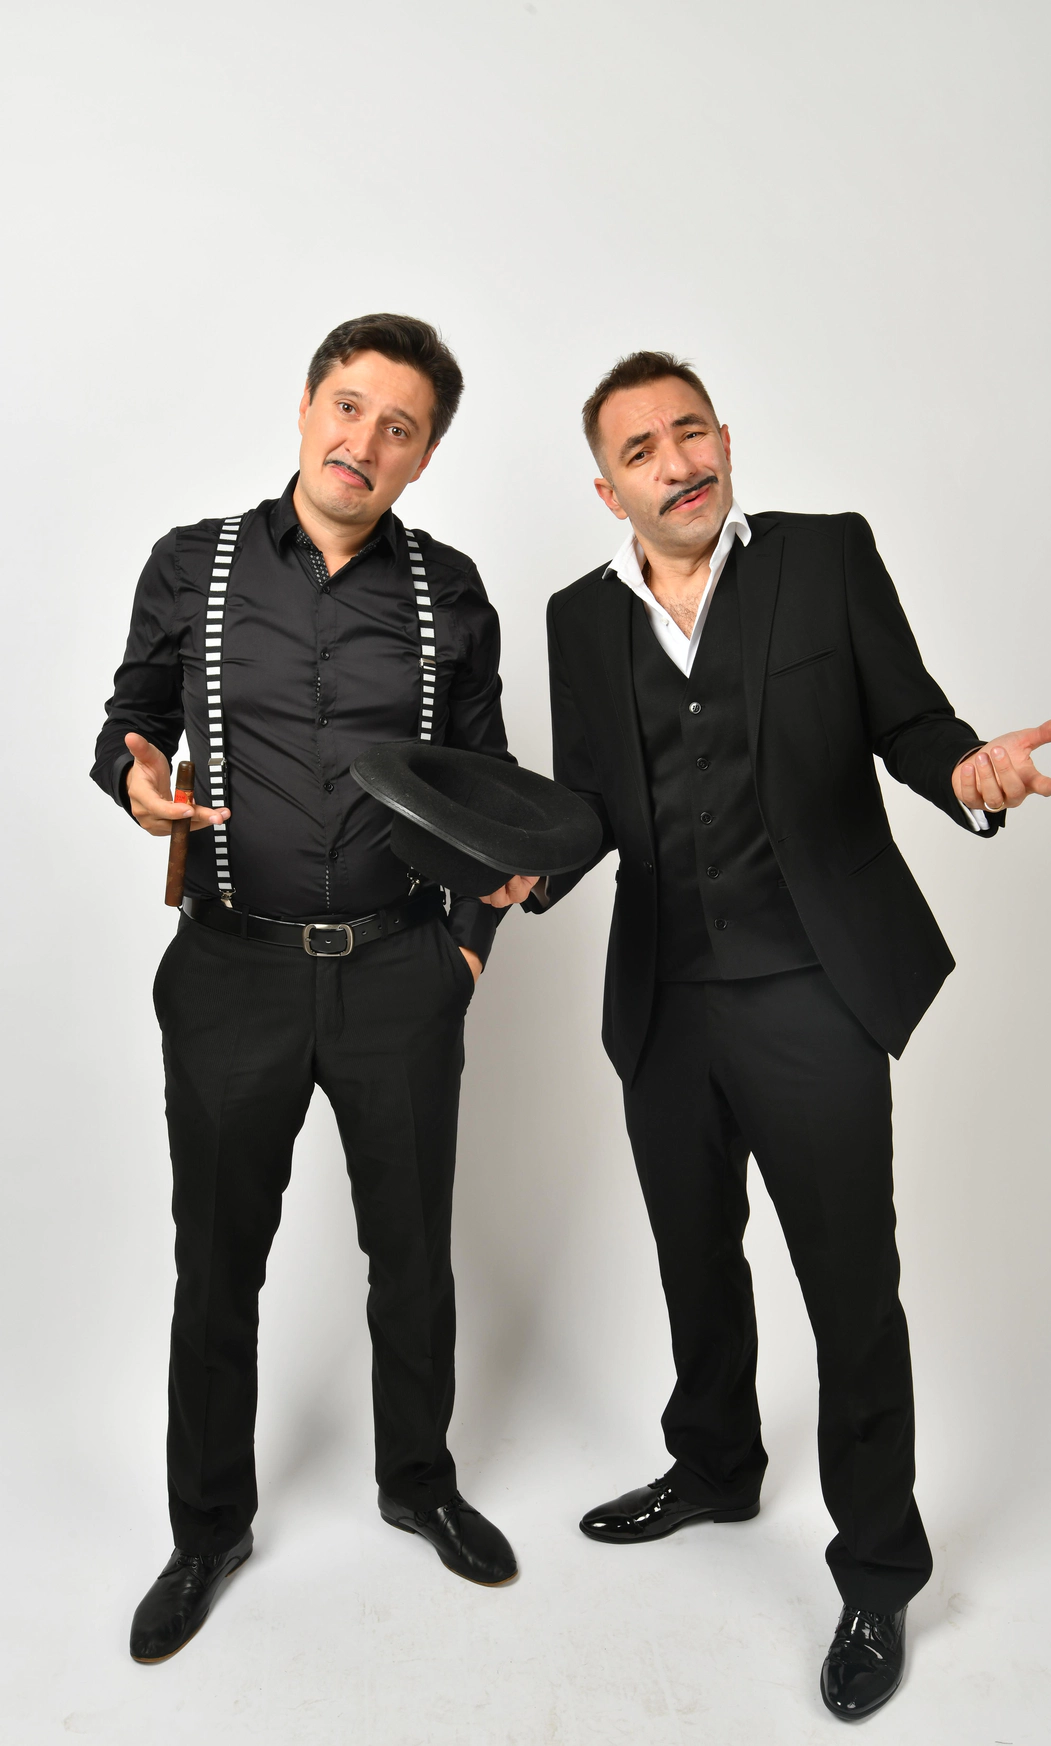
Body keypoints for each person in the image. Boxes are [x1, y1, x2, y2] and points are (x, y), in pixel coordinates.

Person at [525, 350, 1051, 1720]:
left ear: (723, 437)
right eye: (642, 450)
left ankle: (878, 1565)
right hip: (663, 997)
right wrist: (519, 870)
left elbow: (912, 720)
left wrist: (970, 771)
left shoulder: (825, 558)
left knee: (847, 1284)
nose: (678, 463)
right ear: (608, 489)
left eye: (690, 431)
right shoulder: (578, 619)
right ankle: (716, 1465)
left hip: (812, 987)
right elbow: (592, 806)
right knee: (693, 1254)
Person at [91, 313, 537, 1664]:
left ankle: (419, 1481)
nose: (364, 441)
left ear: (424, 455)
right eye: (349, 406)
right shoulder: (194, 563)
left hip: (402, 970)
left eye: (399, 426)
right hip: (230, 969)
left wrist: (465, 947)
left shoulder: (450, 590)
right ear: (306, 407)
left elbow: (485, 788)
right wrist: (136, 778)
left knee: (412, 1251)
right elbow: (129, 717)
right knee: (218, 1259)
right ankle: (206, 1527)